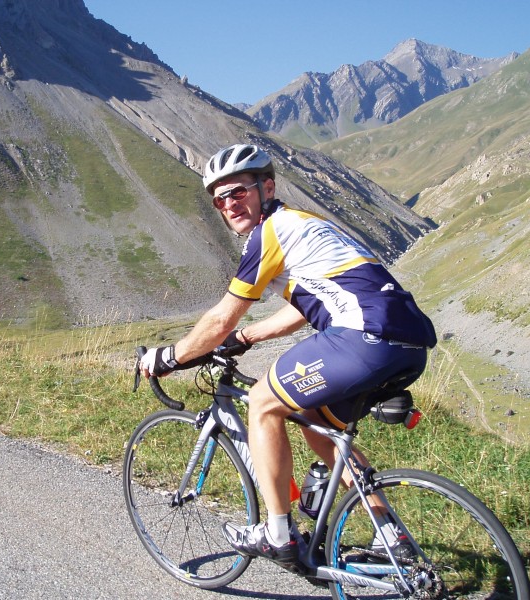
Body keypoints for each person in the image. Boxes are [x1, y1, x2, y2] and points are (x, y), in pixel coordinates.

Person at [139, 143, 436, 570]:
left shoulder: (271, 232)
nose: (228, 204)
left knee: (262, 401)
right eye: (219, 199)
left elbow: (222, 315)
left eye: (238, 192)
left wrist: (169, 356)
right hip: (407, 343)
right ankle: (392, 536)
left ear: (267, 187)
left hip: (362, 336)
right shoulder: (306, 224)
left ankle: (277, 535)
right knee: (317, 423)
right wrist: (248, 336)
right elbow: (305, 303)